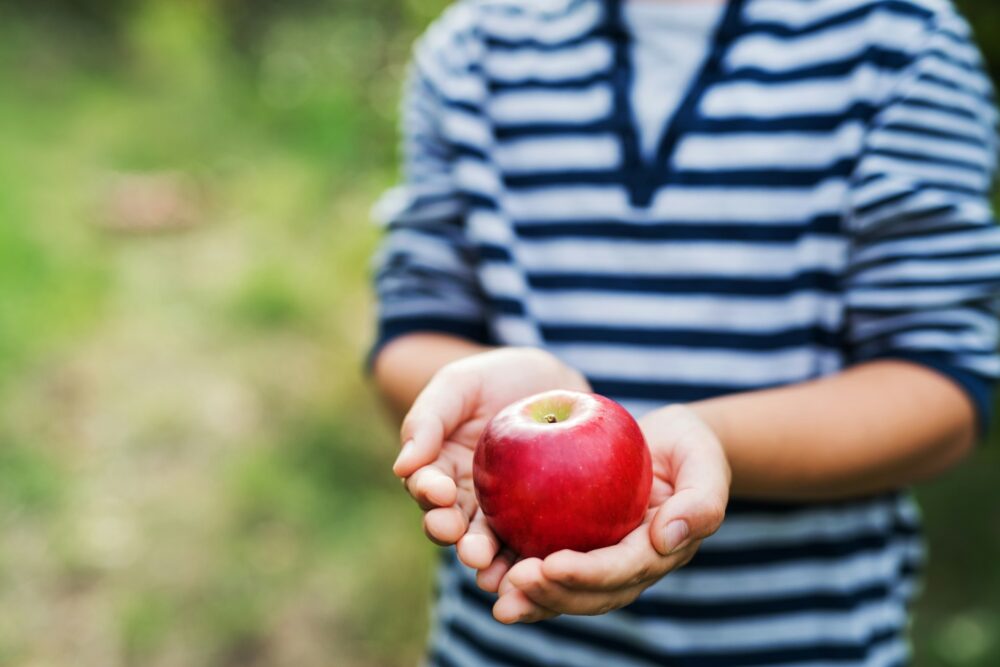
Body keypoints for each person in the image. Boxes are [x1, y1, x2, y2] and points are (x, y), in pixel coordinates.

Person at [369, 0, 1000, 664]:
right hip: (502, 643)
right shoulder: (473, 49)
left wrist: (705, 441)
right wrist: (469, 398)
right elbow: (414, 329)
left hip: (792, 642)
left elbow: (941, 388)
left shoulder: (902, 46)